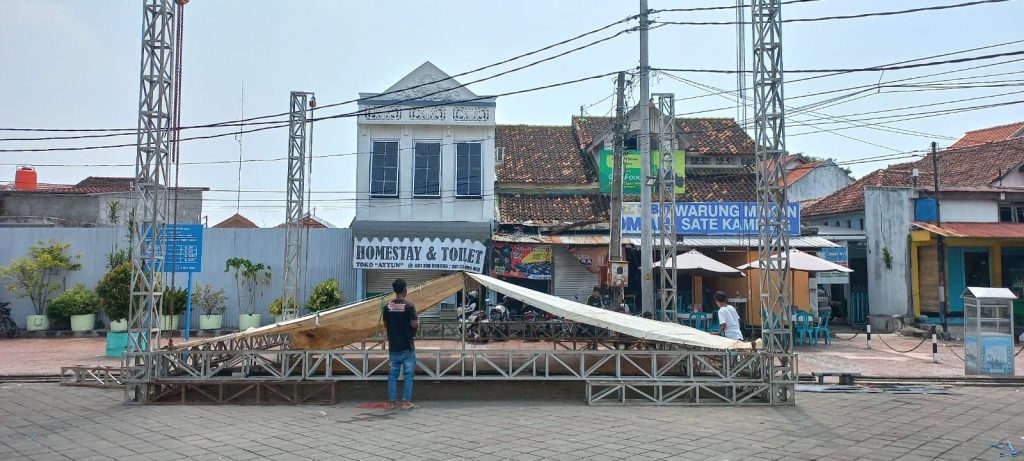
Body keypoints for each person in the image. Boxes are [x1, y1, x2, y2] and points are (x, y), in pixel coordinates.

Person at [383, 279, 419, 410]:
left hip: (394, 347)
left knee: (393, 375)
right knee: (408, 375)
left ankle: (392, 403)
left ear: (394, 290)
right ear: (405, 291)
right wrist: (416, 326)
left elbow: (385, 324)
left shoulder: (387, 306)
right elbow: (414, 324)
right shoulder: (409, 306)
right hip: (407, 346)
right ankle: (406, 403)